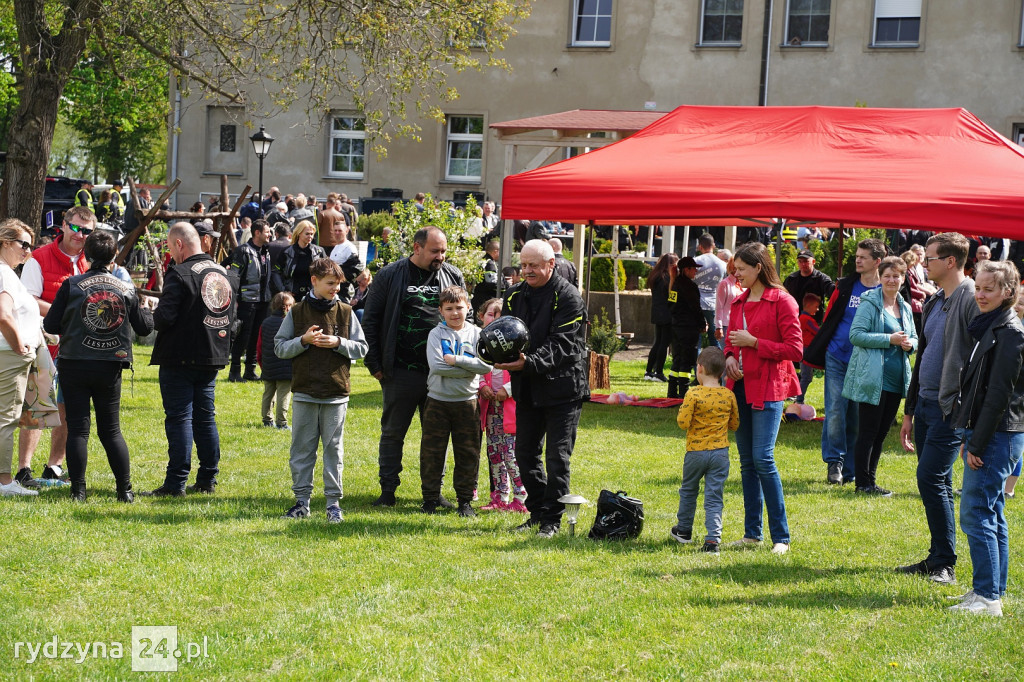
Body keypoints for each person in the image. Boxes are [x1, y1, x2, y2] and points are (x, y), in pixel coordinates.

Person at [42, 231, 154, 502]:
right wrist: (147, 308)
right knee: (111, 430)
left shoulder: (72, 285)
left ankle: (78, 491)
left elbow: (50, 325)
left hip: (75, 363)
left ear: (86, 256)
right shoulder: (125, 288)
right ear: (114, 257)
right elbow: (144, 327)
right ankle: (124, 491)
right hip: (109, 366)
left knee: (79, 429)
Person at [362, 226, 465, 506]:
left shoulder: (452, 275)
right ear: (417, 248)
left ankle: (433, 493)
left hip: (441, 373)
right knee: (393, 432)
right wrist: (374, 363)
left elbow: (463, 321)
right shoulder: (391, 275)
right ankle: (388, 491)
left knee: (437, 436)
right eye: (435, 251)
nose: (440, 257)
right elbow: (370, 320)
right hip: (401, 370)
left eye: (443, 251)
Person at [897, 232, 978, 585]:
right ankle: (938, 557)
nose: (923, 263)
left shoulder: (971, 298)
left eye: (929, 258)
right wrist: (910, 410)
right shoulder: (934, 301)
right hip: (927, 404)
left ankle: (945, 562)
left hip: (951, 408)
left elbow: (980, 360)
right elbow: (924, 357)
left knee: (930, 477)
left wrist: (967, 409)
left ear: (949, 261)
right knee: (938, 481)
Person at [497, 239, 589, 538]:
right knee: (524, 453)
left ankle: (553, 519)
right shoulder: (513, 297)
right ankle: (536, 512)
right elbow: (507, 332)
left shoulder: (569, 297)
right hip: (527, 388)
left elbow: (564, 343)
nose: (527, 271)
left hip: (564, 389)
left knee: (557, 457)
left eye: (533, 265)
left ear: (551, 264)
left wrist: (530, 362)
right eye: (523, 265)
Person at [949, 260, 1024, 616]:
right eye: (978, 287)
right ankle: (990, 591)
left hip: (997, 436)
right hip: (992, 433)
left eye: (988, 289)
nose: (979, 295)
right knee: (990, 512)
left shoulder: (1010, 331)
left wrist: (976, 443)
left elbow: (998, 395)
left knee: (977, 513)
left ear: (1008, 292)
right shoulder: (992, 324)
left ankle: (987, 598)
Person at [143, 223, 236, 497]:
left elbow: (165, 317)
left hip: (179, 357)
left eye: (171, 248)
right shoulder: (225, 274)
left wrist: (147, 314)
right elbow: (231, 318)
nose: (170, 254)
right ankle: (208, 478)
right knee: (205, 419)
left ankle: (175, 484)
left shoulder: (180, 273)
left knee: (180, 418)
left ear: (180, 245)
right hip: (212, 355)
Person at [275, 258, 367, 523]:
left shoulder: (347, 312)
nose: (335, 289)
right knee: (302, 450)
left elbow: (362, 348)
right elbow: (279, 348)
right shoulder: (297, 312)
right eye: (330, 284)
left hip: (336, 393)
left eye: (337, 285)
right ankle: (301, 502)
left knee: (333, 451)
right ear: (314, 281)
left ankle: (333, 504)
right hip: (304, 391)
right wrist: (302, 341)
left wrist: (338, 342)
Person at [723, 242, 800, 555]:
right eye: (735, 269)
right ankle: (752, 534)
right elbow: (730, 342)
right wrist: (729, 357)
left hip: (768, 388)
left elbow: (795, 350)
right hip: (740, 387)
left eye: (742, 268)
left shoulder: (783, 301)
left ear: (758, 268)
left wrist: (755, 343)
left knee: (762, 459)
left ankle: (781, 537)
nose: (737, 274)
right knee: (746, 463)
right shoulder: (738, 303)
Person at [16, 206, 94, 486]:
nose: (79, 234)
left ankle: (54, 467)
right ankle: (24, 469)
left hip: (79, 349)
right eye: (75, 227)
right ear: (63, 225)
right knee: (38, 407)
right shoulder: (39, 258)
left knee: (69, 409)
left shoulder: (92, 260)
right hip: (43, 344)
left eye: (86, 231)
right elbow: (28, 300)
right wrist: (65, 315)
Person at [804, 238, 885, 486]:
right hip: (837, 355)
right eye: (857, 255)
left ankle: (851, 466)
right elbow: (831, 317)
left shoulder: (886, 289)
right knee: (836, 410)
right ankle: (834, 463)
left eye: (863, 257)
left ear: (877, 262)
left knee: (858, 415)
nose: (857, 260)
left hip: (866, 362)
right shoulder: (847, 285)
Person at [842, 256, 917, 497]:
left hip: (896, 380)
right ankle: (863, 483)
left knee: (882, 432)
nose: (892, 280)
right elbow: (856, 335)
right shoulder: (870, 302)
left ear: (903, 279)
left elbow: (915, 337)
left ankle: (870, 481)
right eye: (887, 276)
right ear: (880, 278)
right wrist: (889, 340)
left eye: (897, 276)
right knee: (868, 431)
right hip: (873, 379)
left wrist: (909, 345)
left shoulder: (905, 307)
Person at [419, 285, 492, 517]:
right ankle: (430, 499)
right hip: (437, 402)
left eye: (459, 307)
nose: (454, 313)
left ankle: (465, 501)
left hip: (467, 402)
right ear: (441, 310)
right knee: (432, 452)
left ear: (468, 307)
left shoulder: (477, 334)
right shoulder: (436, 334)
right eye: (449, 309)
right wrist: (469, 369)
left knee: (468, 452)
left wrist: (457, 361)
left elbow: (486, 365)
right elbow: (437, 366)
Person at [670, 347, 740, 554]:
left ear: (699, 368)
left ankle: (683, 531)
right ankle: (712, 541)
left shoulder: (693, 394)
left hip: (695, 453)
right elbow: (735, 424)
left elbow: (683, 423)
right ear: (723, 373)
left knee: (689, 490)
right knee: (714, 496)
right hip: (720, 454)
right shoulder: (728, 395)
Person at [0, 220, 42, 497]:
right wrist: (19, 346)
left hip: (9, 352)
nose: (28, 251)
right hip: (9, 354)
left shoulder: (8, 273)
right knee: (7, 417)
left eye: (31, 246)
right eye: (22, 244)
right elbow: (3, 314)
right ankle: (4, 483)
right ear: (5, 242)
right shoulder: (5, 273)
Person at [476, 298, 527, 513]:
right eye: (491, 315)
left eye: (500, 316)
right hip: (491, 409)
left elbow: (523, 372)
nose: (495, 320)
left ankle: (521, 496)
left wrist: (508, 389)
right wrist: (482, 386)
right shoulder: (481, 345)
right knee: (494, 452)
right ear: (481, 316)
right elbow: (476, 369)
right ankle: (499, 496)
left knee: (511, 454)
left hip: (510, 410)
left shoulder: (516, 344)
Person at [227, 219, 273, 382]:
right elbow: (233, 276)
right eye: (267, 231)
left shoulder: (266, 251)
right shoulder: (243, 251)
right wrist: (236, 299)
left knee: (256, 335)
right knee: (243, 336)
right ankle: (234, 372)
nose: (270, 234)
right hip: (246, 301)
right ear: (257, 233)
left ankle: (250, 370)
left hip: (263, 300)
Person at [667, 256, 705, 399]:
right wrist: (702, 323)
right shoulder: (690, 286)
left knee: (677, 358)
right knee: (687, 360)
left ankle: (671, 391)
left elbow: (670, 304)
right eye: (694, 268)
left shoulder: (675, 285)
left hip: (676, 326)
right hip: (689, 328)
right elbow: (696, 307)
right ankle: (683, 392)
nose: (696, 271)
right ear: (686, 269)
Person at [257, 292, 295, 429]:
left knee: (268, 394)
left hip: (268, 365)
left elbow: (259, 345)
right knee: (283, 395)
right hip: (286, 365)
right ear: (289, 307)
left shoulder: (265, 322)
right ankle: (282, 422)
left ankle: (267, 419)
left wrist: (261, 362)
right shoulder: (291, 323)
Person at [644, 253, 677, 382]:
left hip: (657, 313)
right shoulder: (667, 278)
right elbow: (672, 296)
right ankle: (659, 372)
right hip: (667, 314)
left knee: (657, 343)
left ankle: (648, 371)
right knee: (664, 344)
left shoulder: (655, 276)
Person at [274, 220, 326, 299]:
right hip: (292, 294)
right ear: (299, 234)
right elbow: (275, 271)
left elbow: (327, 272)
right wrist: (283, 290)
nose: (310, 236)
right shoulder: (286, 252)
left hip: (313, 294)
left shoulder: (318, 251)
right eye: (307, 234)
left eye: (312, 234)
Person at [783, 250, 834, 324]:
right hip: (793, 322)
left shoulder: (821, 278)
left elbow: (830, 289)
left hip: (813, 323)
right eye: (800, 261)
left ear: (813, 261)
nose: (803, 264)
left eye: (806, 261)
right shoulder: (791, 279)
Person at [693, 234, 726, 349]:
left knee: (696, 339)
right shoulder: (722, 264)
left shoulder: (695, 262)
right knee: (715, 337)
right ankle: (717, 364)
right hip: (713, 303)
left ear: (700, 246)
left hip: (696, 303)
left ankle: (696, 366)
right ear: (714, 245)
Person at [795, 293, 821, 404]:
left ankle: (799, 399)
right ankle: (799, 401)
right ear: (809, 305)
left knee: (806, 376)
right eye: (816, 306)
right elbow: (818, 332)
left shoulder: (801, 318)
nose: (818, 309)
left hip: (804, 350)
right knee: (806, 377)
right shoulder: (807, 319)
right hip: (806, 351)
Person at [714, 254, 742, 344]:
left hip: (741, 324)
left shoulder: (744, 283)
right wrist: (719, 327)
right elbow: (719, 306)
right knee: (727, 352)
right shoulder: (724, 283)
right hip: (726, 324)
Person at [471, 240, 500, 313]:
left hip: (477, 298)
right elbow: (491, 283)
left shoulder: (482, 260)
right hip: (484, 300)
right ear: (495, 251)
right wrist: (503, 286)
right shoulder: (490, 264)